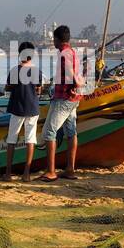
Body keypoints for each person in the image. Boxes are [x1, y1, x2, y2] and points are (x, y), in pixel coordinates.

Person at [41, 25, 84, 181]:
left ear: (57, 40)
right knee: (71, 132)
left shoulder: (64, 54)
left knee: (49, 132)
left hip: (63, 99)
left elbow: (72, 74)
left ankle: (51, 171)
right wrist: (77, 85)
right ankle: (70, 169)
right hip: (72, 99)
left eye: (54, 39)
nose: (53, 42)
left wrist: (76, 84)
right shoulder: (73, 52)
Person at [3, 42, 43, 182]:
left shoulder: (15, 70)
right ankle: (26, 173)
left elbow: (8, 87)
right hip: (32, 108)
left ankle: (8, 173)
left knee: (11, 139)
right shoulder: (37, 71)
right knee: (30, 139)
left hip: (17, 108)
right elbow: (38, 89)